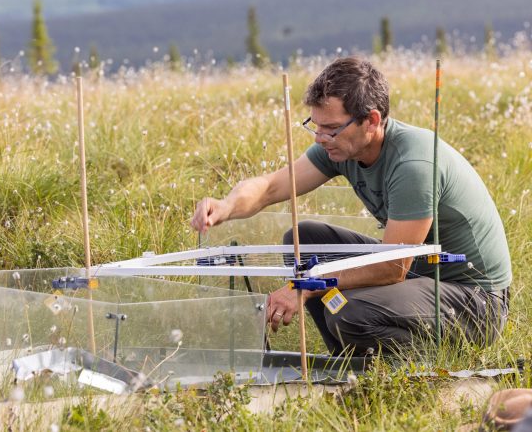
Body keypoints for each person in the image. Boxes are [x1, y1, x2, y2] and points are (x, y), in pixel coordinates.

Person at [191, 56, 511, 355]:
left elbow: (392, 267)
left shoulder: (413, 164)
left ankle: (410, 371)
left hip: (475, 301)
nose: (319, 137)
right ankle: (352, 359)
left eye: (331, 128)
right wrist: (226, 206)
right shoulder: (342, 147)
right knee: (305, 240)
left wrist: (307, 286)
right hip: (420, 276)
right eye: (314, 125)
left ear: (370, 121)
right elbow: (272, 186)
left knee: (350, 311)